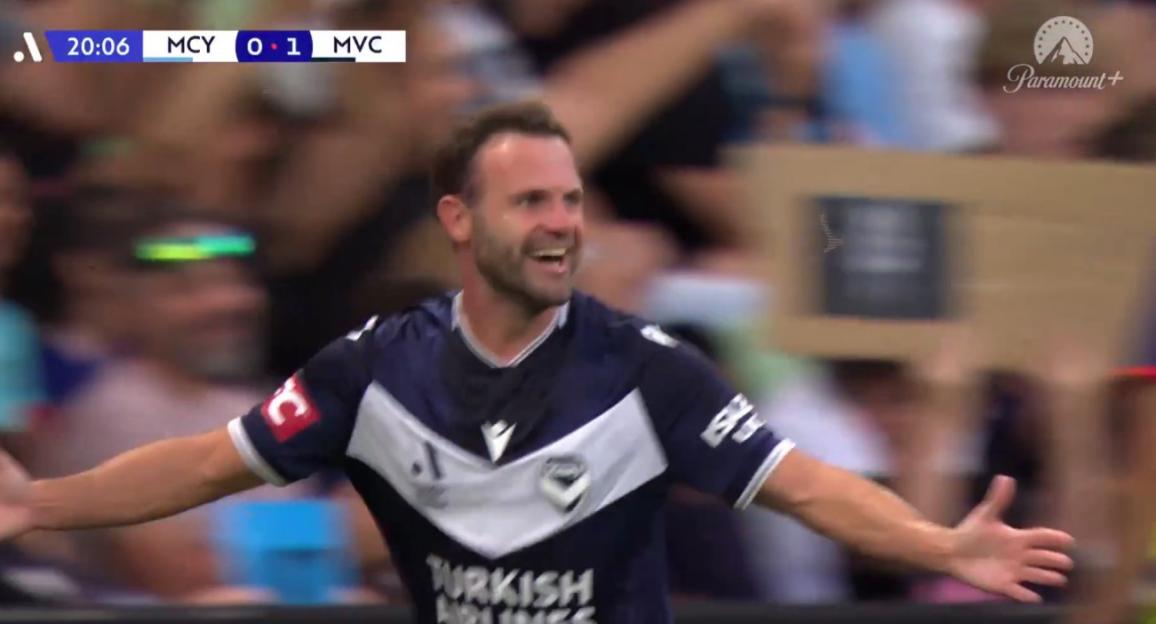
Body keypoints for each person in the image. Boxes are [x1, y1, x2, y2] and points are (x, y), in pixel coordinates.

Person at [0, 101, 1075, 622]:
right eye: (531, 202)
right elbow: (204, 463)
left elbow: (803, 484)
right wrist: (44, 506)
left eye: (570, 198)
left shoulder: (650, 371)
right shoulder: (372, 368)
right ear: (460, 221)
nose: (562, 222)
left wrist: (939, 540)